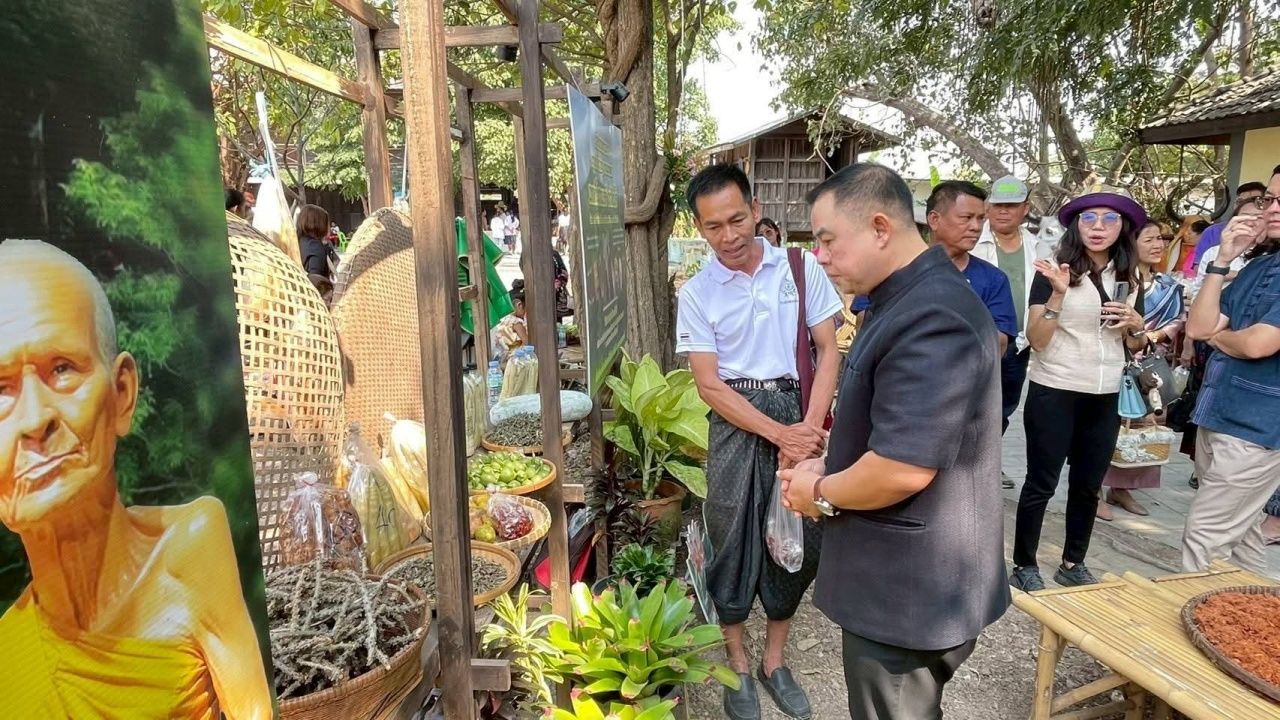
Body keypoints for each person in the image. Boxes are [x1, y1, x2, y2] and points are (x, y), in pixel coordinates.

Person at [0, 240, 272, 719]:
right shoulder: (9, 662)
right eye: (0, 392)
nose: (33, 419)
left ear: (122, 393)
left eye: (61, 370)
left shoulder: (188, 552)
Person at [780, 163, 1008, 720]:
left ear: (881, 227)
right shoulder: (904, 298)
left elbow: (903, 468)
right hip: (907, 583)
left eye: (829, 240)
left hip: (911, 592)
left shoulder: (932, 314)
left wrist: (821, 491)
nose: (821, 257)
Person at [676, 164, 841, 720]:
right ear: (699, 228)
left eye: (737, 219)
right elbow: (708, 384)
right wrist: (778, 435)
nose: (728, 236)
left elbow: (829, 350)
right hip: (737, 422)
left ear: (756, 208)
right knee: (729, 536)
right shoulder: (697, 292)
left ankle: (774, 660)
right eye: (713, 226)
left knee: (798, 541)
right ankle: (737, 665)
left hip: (801, 410)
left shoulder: (799, 268)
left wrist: (809, 434)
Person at [1010, 185, 1149, 591]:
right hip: (1056, 387)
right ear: (1075, 226)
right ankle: (1024, 564)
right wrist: (1056, 293)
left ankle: (1073, 562)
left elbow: (1133, 345)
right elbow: (1036, 338)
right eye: (1089, 218)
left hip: (1105, 393)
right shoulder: (1054, 269)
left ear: (1122, 227)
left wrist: (1136, 326)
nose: (1098, 227)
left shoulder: (1129, 275)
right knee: (1042, 482)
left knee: (1088, 485)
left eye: (1109, 219)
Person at [1181, 172, 1280, 575]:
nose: (1271, 209)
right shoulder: (1260, 267)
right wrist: (1221, 261)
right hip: (1217, 412)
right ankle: (1255, 625)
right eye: (1269, 200)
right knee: (1244, 533)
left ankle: (1188, 632)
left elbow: (1259, 344)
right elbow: (1198, 327)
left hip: (1257, 428)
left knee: (1203, 537)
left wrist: (1219, 335)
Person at [1097, 220, 1187, 520]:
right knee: (1106, 427)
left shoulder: (1169, 285)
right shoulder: (1119, 282)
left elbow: (1176, 321)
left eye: (1161, 239)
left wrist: (1149, 336)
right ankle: (1094, 490)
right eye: (1148, 239)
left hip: (1150, 365)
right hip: (1117, 361)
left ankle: (1123, 489)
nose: (1158, 244)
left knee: (1144, 426)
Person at [974, 177, 1053, 483]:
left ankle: (988, 462)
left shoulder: (1040, 247)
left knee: (1004, 407)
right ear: (988, 207)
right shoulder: (973, 241)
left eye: (1011, 206)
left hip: (1019, 343)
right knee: (973, 406)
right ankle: (975, 463)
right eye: (997, 206)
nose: (1003, 212)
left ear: (1025, 209)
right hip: (980, 341)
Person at [926, 181, 1018, 358]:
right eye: (966, 218)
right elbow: (866, 321)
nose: (976, 227)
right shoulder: (897, 269)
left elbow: (999, 342)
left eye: (980, 218)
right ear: (934, 219)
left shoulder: (994, 279)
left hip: (968, 381)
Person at [1189, 181, 1269, 269]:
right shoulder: (1213, 232)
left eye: (1254, 200)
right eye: (1240, 201)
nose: (1247, 204)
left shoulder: (1272, 247)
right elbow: (1200, 269)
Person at [491, 279, 529, 366]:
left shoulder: (502, 318)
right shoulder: (516, 322)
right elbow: (528, 343)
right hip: (512, 361)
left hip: (498, 358)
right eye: (526, 307)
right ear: (519, 305)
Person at [297, 204, 338, 283]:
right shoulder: (316, 247)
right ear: (319, 224)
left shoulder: (298, 241)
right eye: (327, 223)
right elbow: (316, 282)